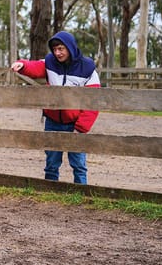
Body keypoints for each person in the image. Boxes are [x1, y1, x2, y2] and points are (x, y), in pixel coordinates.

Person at [10, 31, 100, 184]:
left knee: (78, 164)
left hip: (74, 125)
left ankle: (82, 193)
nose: (57, 53)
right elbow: (36, 66)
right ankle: (50, 191)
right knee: (51, 163)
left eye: (61, 49)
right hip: (52, 121)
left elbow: (93, 102)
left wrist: (81, 127)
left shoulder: (88, 69)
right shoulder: (50, 62)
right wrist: (23, 65)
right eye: (55, 50)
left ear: (70, 47)